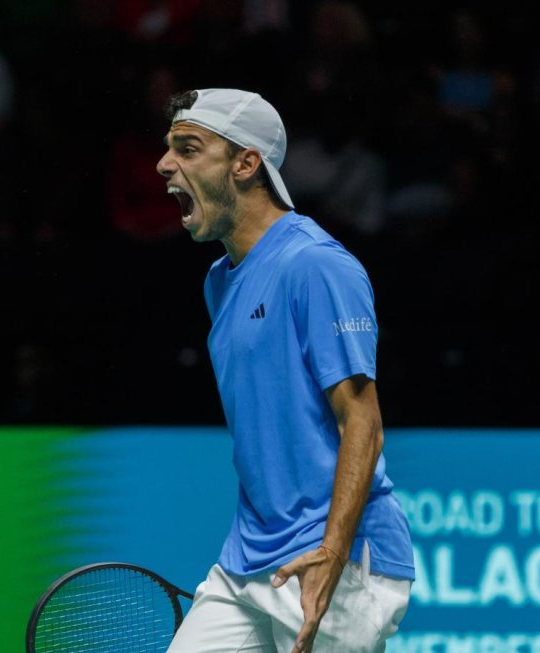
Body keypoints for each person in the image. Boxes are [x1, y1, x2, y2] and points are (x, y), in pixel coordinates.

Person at [156, 88, 414, 652]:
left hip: (333, 555)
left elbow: (362, 423)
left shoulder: (316, 265)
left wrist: (332, 553)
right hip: (247, 557)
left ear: (246, 163)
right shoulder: (219, 281)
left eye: (189, 149)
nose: (164, 164)